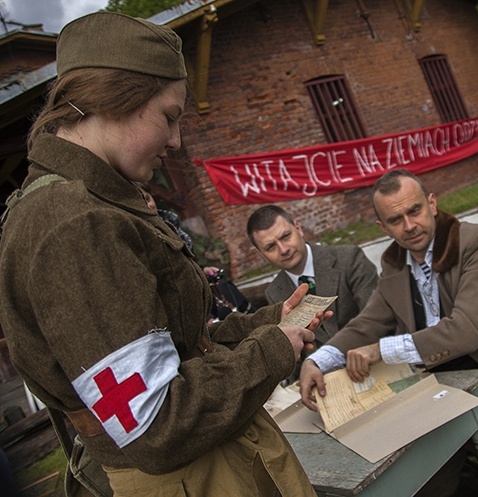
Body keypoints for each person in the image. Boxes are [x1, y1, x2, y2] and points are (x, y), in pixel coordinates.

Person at [0, 12, 327, 497]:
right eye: (168, 117)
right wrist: (275, 348)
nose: (175, 141)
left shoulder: (89, 204)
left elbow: (170, 345)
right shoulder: (74, 222)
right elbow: (158, 422)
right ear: (112, 100)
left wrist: (265, 324)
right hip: (194, 479)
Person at [299, 169, 478, 497]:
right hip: (445, 386)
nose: (409, 226)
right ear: (382, 227)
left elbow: (465, 331)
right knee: (417, 472)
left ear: (432, 204)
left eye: (415, 211)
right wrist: (319, 361)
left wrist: (379, 350)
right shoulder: (394, 264)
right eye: (395, 220)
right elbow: (368, 322)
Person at [247, 205, 378, 347]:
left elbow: (376, 318)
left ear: (298, 229)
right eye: (270, 247)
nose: (283, 250)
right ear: (261, 254)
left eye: (286, 236)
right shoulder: (274, 293)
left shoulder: (349, 258)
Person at [138, 184, 255, 320]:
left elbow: (189, 262)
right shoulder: (140, 235)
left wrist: (203, 270)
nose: (148, 205)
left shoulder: (171, 222)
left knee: (225, 288)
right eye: (141, 202)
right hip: (177, 297)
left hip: (198, 284)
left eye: (147, 198)